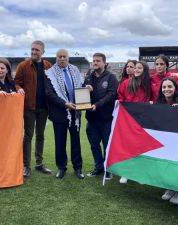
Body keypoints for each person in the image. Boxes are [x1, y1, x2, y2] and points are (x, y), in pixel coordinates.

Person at [14, 40, 52, 177]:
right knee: (28, 136)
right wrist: (19, 89)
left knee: (40, 136)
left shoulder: (48, 65)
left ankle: (39, 164)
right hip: (29, 107)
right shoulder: (23, 65)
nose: (34, 52)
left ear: (43, 52)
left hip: (44, 107)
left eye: (37, 50)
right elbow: (16, 83)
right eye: (32, 49)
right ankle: (26, 166)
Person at [45, 49, 84, 179]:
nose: (62, 58)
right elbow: (49, 94)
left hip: (75, 112)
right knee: (60, 142)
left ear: (68, 58)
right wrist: (64, 104)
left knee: (76, 141)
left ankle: (78, 168)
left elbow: (81, 86)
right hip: (59, 113)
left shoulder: (75, 70)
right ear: (56, 58)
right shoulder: (50, 73)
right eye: (59, 57)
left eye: (64, 56)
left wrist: (87, 88)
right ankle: (61, 168)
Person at [84, 53, 118, 179]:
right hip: (91, 119)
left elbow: (111, 95)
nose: (95, 63)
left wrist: (97, 105)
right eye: (93, 61)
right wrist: (85, 88)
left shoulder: (111, 77)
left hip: (106, 119)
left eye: (98, 61)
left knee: (107, 145)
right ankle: (98, 167)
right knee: (94, 145)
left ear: (104, 62)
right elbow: (82, 93)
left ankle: (108, 169)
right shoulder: (88, 76)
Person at [156, 77, 178, 204]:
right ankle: (169, 188)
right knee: (165, 165)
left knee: (176, 166)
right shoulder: (158, 103)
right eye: (164, 87)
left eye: (170, 87)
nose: (166, 89)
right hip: (164, 141)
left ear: (175, 89)